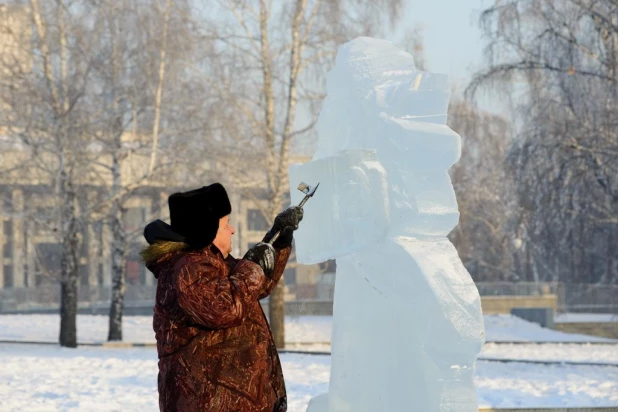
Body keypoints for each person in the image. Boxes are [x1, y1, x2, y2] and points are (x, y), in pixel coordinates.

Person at [141, 183, 303, 412]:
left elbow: (253, 286)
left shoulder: (211, 264)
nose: (233, 229)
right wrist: (253, 266)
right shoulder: (187, 269)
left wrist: (278, 238)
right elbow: (225, 307)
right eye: (226, 224)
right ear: (206, 230)